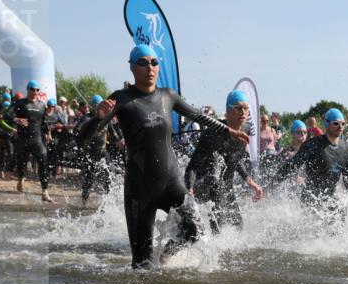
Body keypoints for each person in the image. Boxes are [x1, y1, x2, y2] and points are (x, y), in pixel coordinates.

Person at [86, 44, 247, 268]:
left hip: (171, 184)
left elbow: (199, 116)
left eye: (154, 62)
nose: (149, 67)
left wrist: (228, 130)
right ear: (132, 67)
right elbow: (82, 139)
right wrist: (96, 118)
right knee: (141, 264)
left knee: (195, 229)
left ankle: (167, 257)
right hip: (139, 190)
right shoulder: (121, 99)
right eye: (142, 62)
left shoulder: (168, 96)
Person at [183, 89, 264, 233]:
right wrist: (189, 188)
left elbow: (233, 159)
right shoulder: (212, 133)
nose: (243, 112)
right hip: (205, 184)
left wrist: (249, 181)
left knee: (238, 226)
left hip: (225, 184)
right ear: (228, 110)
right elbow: (192, 167)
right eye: (238, 108)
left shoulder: (245, 130)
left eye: (246, 108)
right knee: (218, 225)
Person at [285, 107, 348, 219]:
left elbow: (346, 179)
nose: (340, 127)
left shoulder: (347, 149)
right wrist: (269, 187)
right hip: (311, 197)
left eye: (343, 124)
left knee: (341, 213)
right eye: (336, 123)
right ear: (327, 124)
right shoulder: (313, 145)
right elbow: (290, 167)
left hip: (330, 196)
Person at [11, 80, 53, 202]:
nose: (34, 92)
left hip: (37, 140)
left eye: (37, 90)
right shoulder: (20, 103)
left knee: (43, 162)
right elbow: (6, 115)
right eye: (32, 89)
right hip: (23, 140)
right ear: (27, 90)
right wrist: (17, 119)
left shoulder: (41, 105)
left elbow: (44, 122)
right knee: (22, 163)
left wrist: (48, 133)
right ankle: (21, 178)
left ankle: (45, 192)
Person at [75, 94, 119, 206]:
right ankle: (84, 201)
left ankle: (109, 203)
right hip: (90, 154)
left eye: (99, 104)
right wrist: (96, 119)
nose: (98, 107)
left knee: (108, 179)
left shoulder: (106, 119)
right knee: (89, 180)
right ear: (92, 106)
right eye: (95, 105)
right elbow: (80, 131)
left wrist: (120, 140)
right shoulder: (87, 118)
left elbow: (113, 132)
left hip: (103, 153)